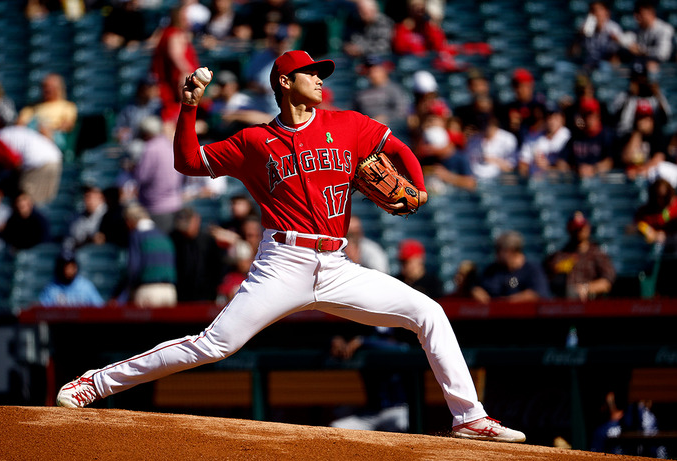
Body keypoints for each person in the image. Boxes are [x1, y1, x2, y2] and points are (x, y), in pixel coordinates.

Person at [56, 49, 525, 443]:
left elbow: (399, 149)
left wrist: (418, 188)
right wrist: (189, 108)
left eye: (322, 74)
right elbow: (187, 161)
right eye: (311, 74)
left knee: (429, 313)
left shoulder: (348, 124)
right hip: (283, 261)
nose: (321, 80)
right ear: (285, 81)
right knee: (213, 345)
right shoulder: (255, 141)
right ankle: (93, 383)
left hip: (338, 263)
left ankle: (469, 418)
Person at [117, 202, 177, 308]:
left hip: (148, 292)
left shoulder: (136, 235)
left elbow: (133, 267)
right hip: (170, 291)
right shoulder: (164, 236)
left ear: (130, 220)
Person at [545, 211, 616, 300]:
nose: (579, 231)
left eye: (581, 227)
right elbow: (545, 278)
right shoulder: (559, 256)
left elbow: (606, 282)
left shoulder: (597, 254)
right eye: (575, 228)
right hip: (563, 305)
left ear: (588, 228)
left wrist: (586, 288)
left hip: (589, 306)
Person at [132, 116, 186, 234]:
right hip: (175, 203)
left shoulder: (150, 149)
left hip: (156, 207)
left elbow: (141, 176)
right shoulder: (169, 144)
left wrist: (132, 168)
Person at [0, 126, 63, 204]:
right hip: (54, 158)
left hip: (39, 163)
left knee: (25, 197)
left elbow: (16, 162)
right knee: (45, 199)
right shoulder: (3, 133)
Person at [150, 5, 200, 123]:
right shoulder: (174, 34)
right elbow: (176, 56)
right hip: (176, 80)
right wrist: (188, 72)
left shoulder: (165, 33)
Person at [471, 231, 551, 303]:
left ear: (511, 250)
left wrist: (507, 301)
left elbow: (538, 293)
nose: (496, 254)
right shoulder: (492, 270)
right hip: (495, 316)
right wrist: (477, 291)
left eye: (499, 250)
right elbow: (479, 288)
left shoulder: (533, 270)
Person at [170, 206, 227, 302]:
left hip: (206, 295)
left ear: (196, 220)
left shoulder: (209, 241)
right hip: (182, 296)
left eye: (187, 226)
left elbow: (219, 267)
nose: (185, 231)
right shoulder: (175, 239)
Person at [16, 73, 78, 150]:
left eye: (51, 87)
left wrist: (47, 129)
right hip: (31, 134)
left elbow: (67, 126)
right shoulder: (31, 107)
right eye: (45, 86)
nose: (48, 89)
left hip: (54, 136)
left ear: (59, 88)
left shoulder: (67, 106)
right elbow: (19, 125)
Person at [562, 97, 615, 178]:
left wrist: (593, 169)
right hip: (578, 181)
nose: (588, 118)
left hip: (601, 181)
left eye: (590, 114)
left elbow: (610, 161)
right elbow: (562, 160)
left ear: (598, 115)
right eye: (585, 115)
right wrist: (575, 169)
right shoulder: (576, 136)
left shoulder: (606, 135)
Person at [352, 55, 410, 126]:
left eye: (376, 70)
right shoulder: (360, 92)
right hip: (366, 129)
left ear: (384, 70)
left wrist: (386, 118)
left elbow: (402, 111)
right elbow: (354, 113)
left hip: (390, 128)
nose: (372, 74)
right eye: (369, 70)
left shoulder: (394, 89)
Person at [518, 103, 572, 178]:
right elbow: (523, 163)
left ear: (562, 119)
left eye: (555, 117)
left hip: (559, 181)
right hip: (535, 182)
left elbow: (569, 167)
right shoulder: (532, 137)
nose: (552, 121)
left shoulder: (568, 137)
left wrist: (548, 167)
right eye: (549, 117)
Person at [497, 68, 547, 147]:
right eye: (516, 86)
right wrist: (510, 126)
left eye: (523, 86)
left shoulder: (540, 105)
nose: (519, 90)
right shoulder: (509, 108)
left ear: (531, 86)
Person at [624, 0, 674, 75]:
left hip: (667, 66)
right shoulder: (639, 29)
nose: (637, 18)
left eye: (640, 14)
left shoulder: (664, 29)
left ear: (651, 13)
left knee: (652, 70)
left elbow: (663, 54)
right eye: (636, 14)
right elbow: (625, 38)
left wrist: (642, 51)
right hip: (645, 65)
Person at [38, 251, 105, 307]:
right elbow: (42, 311)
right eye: (65, 267)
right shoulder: (51, 288)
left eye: (71, 267)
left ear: (76, 267)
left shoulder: (86, 287)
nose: (68, 270)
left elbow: (100, 309)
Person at [573, 0, 626, 71]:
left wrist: (616, 39)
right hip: (589, 64)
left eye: (598, 10)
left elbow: (621, 51)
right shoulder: (586, 28)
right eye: (592, 11)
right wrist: (579, 37)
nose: (595, 14)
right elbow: (573, 53)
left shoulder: (612, 28)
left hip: (607, 65)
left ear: (607, 13)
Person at [63, 184, 107, 251]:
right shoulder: (77, 217)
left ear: (101, 197)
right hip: (80, 255)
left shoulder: (108, 215)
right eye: (86, 195)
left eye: (91, 195)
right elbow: (68, 243)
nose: (87, 199)